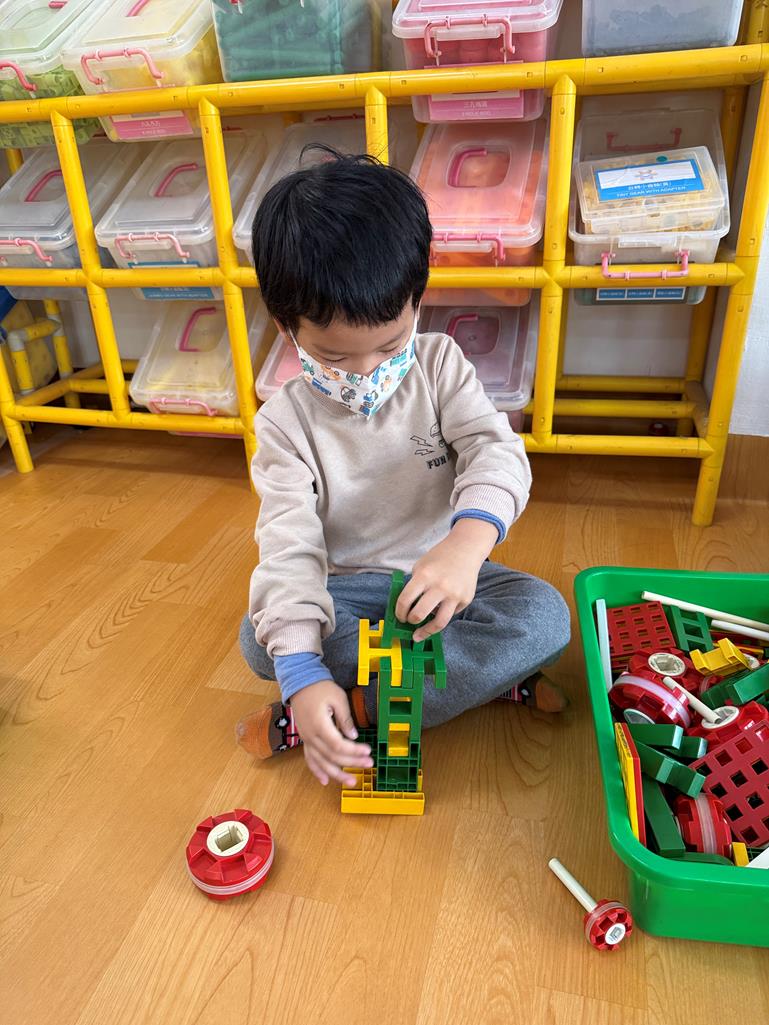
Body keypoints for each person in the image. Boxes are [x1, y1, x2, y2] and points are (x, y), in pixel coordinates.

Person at [237, 148, 570, 789]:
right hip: (345, 589)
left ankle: (351, 710)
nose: (366, 373)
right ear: (286, 328)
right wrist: (301, 670)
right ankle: (460, 684)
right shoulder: (283, 422)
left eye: (390, 345)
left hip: (441, 578)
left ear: (416, 300)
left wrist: (466, 546)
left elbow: (496, 451)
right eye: (335, 356)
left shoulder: (440, 365)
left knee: (545, 616)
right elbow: (287, 545)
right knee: (264, 641)